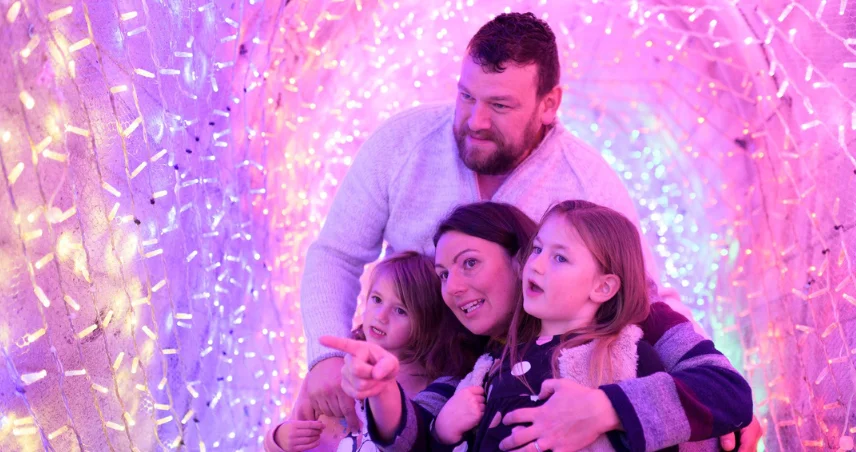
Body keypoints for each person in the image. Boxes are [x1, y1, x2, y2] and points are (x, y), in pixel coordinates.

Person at [299, 11, 762, 450]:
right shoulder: (402, 143)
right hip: (404, 367)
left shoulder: (586, 185)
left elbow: (644, 296)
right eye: (466, 96)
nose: (475, 121)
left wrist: (716, 407)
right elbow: (336, 253)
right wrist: (327, 359)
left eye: (499, 105)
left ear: (549, 104)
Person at [324, 202, 755, 452]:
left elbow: (727, 393)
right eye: (442, 274)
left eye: (469, 263)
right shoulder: (485, 360)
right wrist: (381, 389)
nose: (453, 288)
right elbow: (412, 437)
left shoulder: (638, 323)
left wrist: (601, 410)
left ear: (516, 259)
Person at [265, 251, 479, 451]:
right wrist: (279, 438)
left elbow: (420, 440)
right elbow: (293, 424)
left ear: (428, 324)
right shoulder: (334, 368)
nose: (381, 316)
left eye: (400, 310)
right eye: (376, 299)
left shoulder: (435, 386)